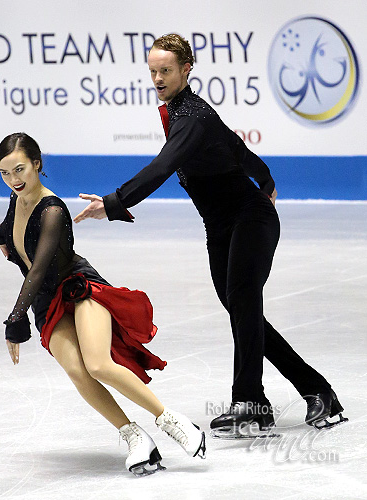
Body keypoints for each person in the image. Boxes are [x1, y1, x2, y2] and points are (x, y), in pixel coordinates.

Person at [74, 34, 347, 437]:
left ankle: (250, 403)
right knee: (242, 309)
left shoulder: (192, 117)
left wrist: (114, 202)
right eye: (152, 71)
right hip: (219, 226)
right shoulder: (185, 114)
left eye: (166, 70)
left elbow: (164, 166)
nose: (158, 78)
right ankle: (316, 390)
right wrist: (266, 177)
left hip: (249, 219)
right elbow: (237, 149)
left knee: (242, 300)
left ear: (186, 69)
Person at [0, 132, 206, 476]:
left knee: (97, 364)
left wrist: (15, 321)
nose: (14, 180)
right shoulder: (16, 198)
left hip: (78, 288)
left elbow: (39, 270)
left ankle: (171, 420)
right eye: (5, 173)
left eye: (20, 169)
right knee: (78, 371)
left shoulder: (52, 210)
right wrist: (2, 235)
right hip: (48, 304)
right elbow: (11, 228)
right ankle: (136, 436)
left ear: (36, 164)